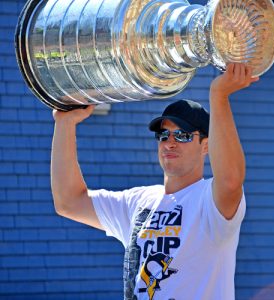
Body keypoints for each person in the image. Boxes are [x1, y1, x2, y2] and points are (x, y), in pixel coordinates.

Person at [51, 63, 259, 300]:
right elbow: (68, 201)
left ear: (205, 146)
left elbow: (231, 180)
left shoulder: (208, 200)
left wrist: (219, 95)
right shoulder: (139, 201)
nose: (170, 143)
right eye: (163, 135)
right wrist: (64, 123)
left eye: (182, 135)